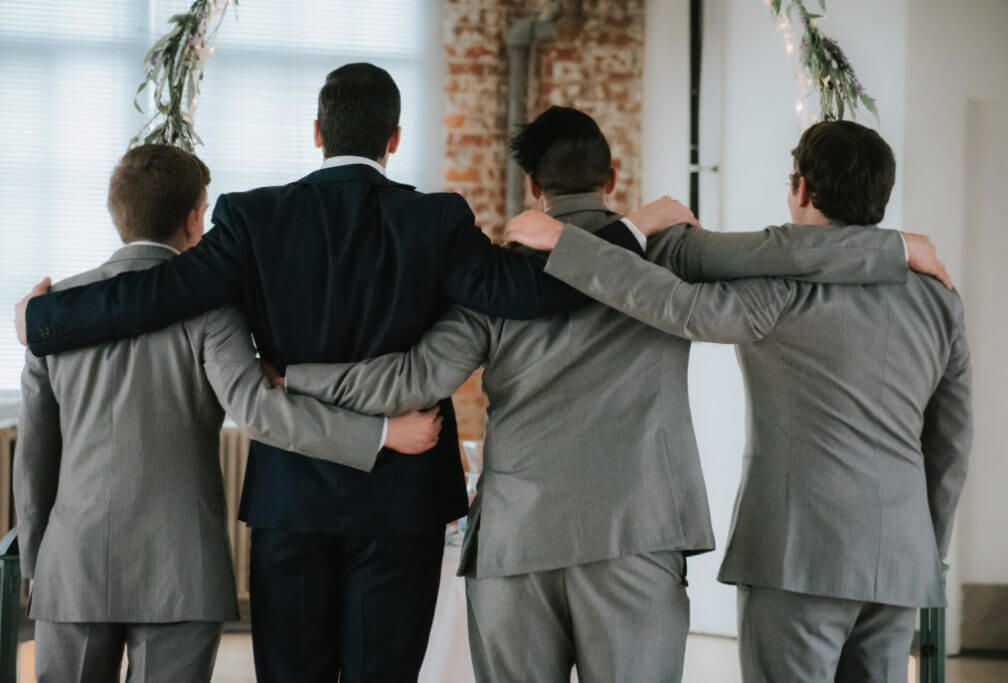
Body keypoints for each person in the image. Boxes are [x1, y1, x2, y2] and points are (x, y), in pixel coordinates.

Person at [13, 65, 650, 682]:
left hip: (291, 499)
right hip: (403, 501)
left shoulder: (252, 219)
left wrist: (43, 318)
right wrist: (624, 236)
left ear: (317, 130)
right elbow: (530, 294)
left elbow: (155, 294)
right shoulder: (436, 220)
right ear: (394, 140)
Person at [269, 108, 931, 682]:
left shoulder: (496, 276)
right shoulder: (668, 253)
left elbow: (411, 380)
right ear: (612, 178)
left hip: (516, 547)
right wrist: (894, 250)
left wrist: (298, 376)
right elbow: (785, 253)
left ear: (533, 187)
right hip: (637, 541)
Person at [507, 120, 971, 683]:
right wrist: (927, 550)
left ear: (800, 189)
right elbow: (951, 442)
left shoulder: (780, 286)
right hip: (902, 558)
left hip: (797, 555)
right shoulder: (939, 298)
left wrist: (566, 244)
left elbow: (675, 305)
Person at [13, 144, 442, 683]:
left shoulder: (51, 314)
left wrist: (38, 564)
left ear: (117, 213)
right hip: (182, 572)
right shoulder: (212, 312)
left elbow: (32, 459)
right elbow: (261, 414)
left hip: (72, 566)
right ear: (196, 219)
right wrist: (381, 433)